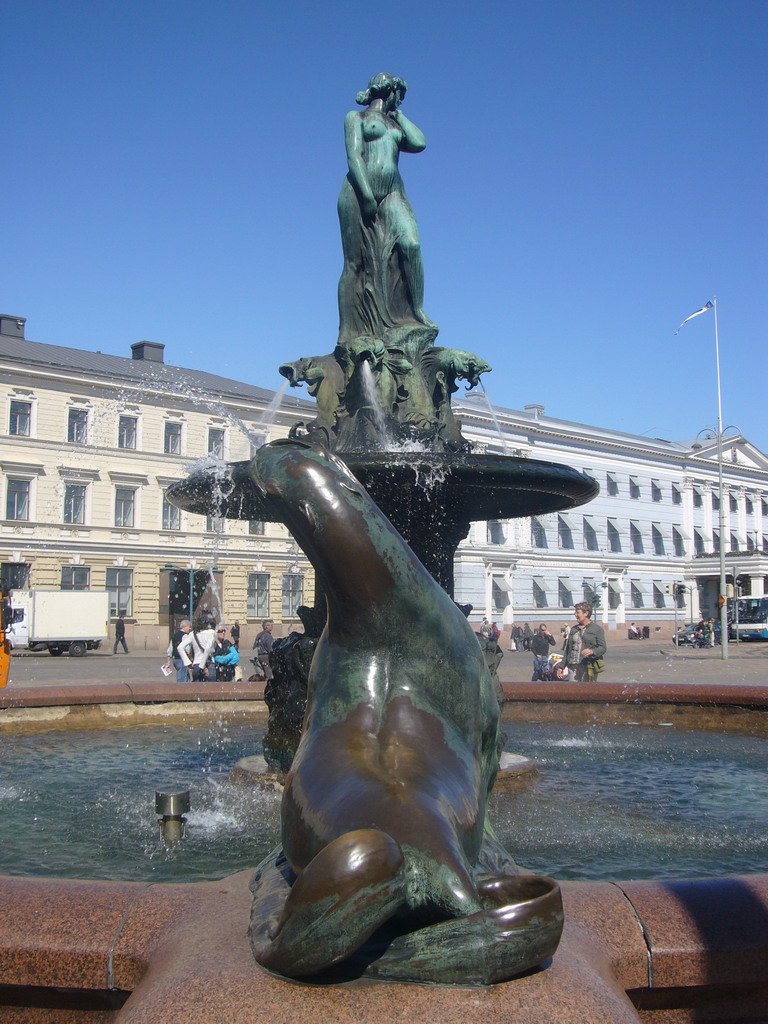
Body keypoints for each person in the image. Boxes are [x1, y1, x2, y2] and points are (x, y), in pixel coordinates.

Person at [337, 72, 435, 347]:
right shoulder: (355, 118)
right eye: (399, 95)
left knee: (411, 244)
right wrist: (367, 194)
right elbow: (353, 156)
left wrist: (400, 115)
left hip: (392, 193)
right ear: (390, 91)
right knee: (354, 264)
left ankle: (415, 311)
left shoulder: (394, 122)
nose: (399, 100)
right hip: (358, 191)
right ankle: (347, 332)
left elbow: (418, 143)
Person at [563, 603, 607, 682]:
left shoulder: (597, 629)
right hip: (573, 666)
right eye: (575, 612)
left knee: (587, 691)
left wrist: (592, 651)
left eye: (578, 612)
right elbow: (568, 649)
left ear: (586, 613)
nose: (575, 614)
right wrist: (561, 666)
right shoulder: (574, 629)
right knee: (573, 692)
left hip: (588, 666)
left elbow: (602, 647)